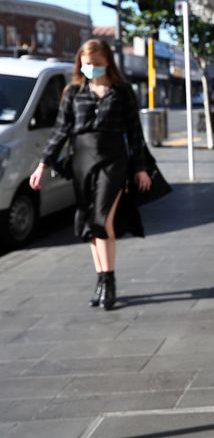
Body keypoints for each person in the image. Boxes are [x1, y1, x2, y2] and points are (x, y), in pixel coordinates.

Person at [28, 39, 152, 311]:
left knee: (102, 219)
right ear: (79, 64)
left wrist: (141, 167)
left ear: (107, 61)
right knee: (88, 221)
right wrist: (42, 165)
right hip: (82, 162)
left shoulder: (122, 92)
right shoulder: (72, 92)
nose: (91, 68)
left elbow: (134, 133)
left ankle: (109, 282)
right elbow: (60, 131)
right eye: (86, 64)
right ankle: (101, 279)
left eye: (96, 64)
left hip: (113, 161)